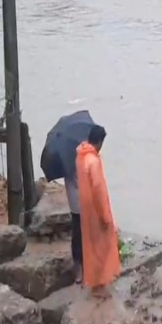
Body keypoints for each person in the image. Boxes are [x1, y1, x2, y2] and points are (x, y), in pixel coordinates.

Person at [76, 124, 121, 298]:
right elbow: (98, 189)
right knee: (102, 247)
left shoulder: (80, 156)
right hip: (96, 210)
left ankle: (94, 282)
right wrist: (105, 215)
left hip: (86, 208)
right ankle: (99, 284)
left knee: (91, 247)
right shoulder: (93, 161)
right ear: (100, 141)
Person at [64, 169, 82, 283]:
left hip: (77, 201)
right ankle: (78, 267)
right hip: (77, 202)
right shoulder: (69, 163)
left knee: (79, 234)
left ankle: (81, 267)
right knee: (78, 234)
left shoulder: (67, 160)